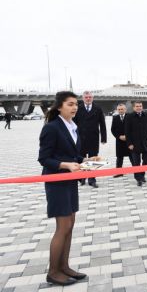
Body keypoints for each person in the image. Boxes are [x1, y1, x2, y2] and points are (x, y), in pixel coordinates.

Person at [38, 91, 100, 286]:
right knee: (62, 226)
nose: (74, 107)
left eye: (76, 104)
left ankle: (64, 266)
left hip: (70, 181)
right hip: (57, 182)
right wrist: (66, 165)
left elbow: (72, 154)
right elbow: (44, 158)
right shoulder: (52, 128)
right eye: (70, 104)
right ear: (59, 107)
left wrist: (87, 160)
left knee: (70, 225)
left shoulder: (72, 126)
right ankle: (53, 272)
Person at [73, 91, 107, 188]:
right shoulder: (77, 108)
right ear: (83, 98)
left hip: (93, 138)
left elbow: (102, 124)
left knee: (93, 158)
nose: (88, 99)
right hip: (80, 138)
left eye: (90, 97)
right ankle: (82, 177)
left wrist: (104, 138)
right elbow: (73, 124)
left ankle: (92, 179)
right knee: (82, 158)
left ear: (92, 98)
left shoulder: (98, 108)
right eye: (86, 97)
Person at [125, 101, 147, 186]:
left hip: (146, 143)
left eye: (140, 106)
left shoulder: (146, 115)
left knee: (146, 161)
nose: (139, 107)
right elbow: (127, 132)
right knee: (136, 163)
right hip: (134, 144)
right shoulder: (129, 117)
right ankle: (138, 178)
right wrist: (129, 144)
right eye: (137, 106)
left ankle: (142, 175)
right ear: (134, 107)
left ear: (142, 107)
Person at [111, 103, 133, 178]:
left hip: (129, 141)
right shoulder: (115, 118)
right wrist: (119, 136)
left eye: (122, 109)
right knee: (119, 157)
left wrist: (128, 136)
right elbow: (113, 130)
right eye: (119, 109)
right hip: (119, 141)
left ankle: (137, 170)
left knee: (132, 156)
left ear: (125, 109)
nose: (120, 110)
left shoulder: (130, 117)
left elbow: (133, 129)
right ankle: (119, 172)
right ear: (117, 110)